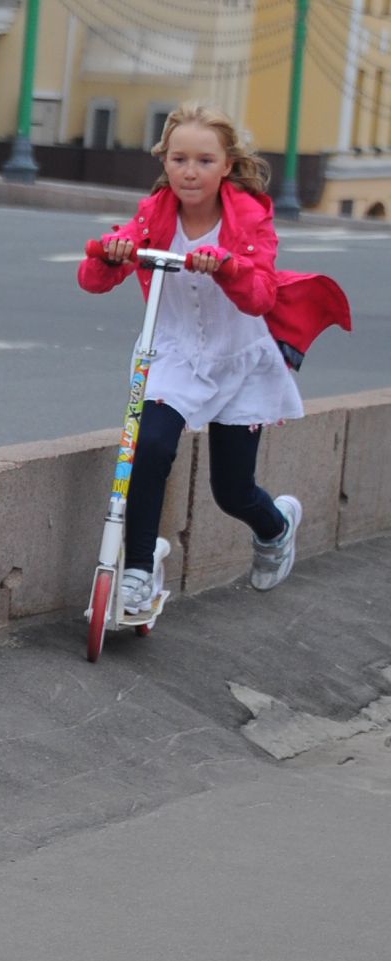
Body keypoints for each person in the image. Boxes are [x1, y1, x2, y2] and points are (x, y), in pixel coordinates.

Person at [78, 102, 349, 614]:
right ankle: (137, 568)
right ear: (166, 162)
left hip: (238, 360)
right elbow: (93, 281)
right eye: (179, 159)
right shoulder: (154, 214)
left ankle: (276, 527)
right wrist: (109, 253)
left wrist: (227, 266)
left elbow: (261, 296)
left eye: (204, 160)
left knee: (232, 490)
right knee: (148, 448)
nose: (190, 171)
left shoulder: (249, 218)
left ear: (227, 165)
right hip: (173, 355)